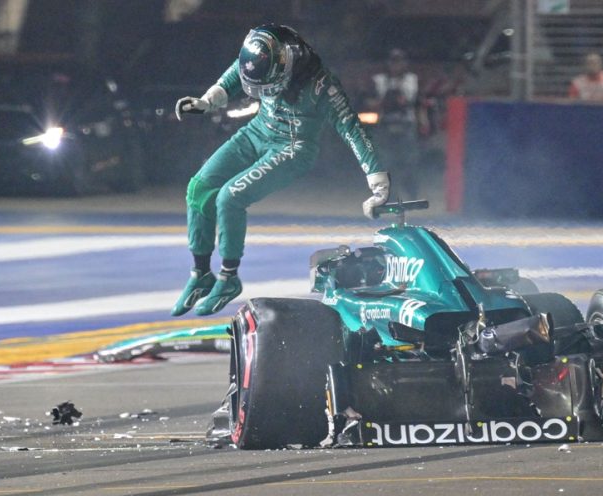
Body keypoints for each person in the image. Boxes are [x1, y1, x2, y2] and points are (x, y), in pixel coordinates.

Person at [171, 24, 390, 316]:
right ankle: (201, 274)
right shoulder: (265, 53)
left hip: (293, 147)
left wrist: (377, 181)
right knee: (198, 187)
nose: (263, 93)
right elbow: (239, 71)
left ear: (288, 66)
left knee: (229, 197)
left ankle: (228, 277)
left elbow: (352, 129)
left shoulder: (322, 85)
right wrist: (208, 101)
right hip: (257, 131)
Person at [368, 48, 422, 200]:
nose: (396, 66)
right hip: (385, 125)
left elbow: (413, 101)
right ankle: (389, 195)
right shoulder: (379, 80)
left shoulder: (412, 80)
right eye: (393, 62)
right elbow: (370, 100)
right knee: (386, 162)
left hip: (406, 124)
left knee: (409, 161)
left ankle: (411, 192)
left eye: (399, 62)